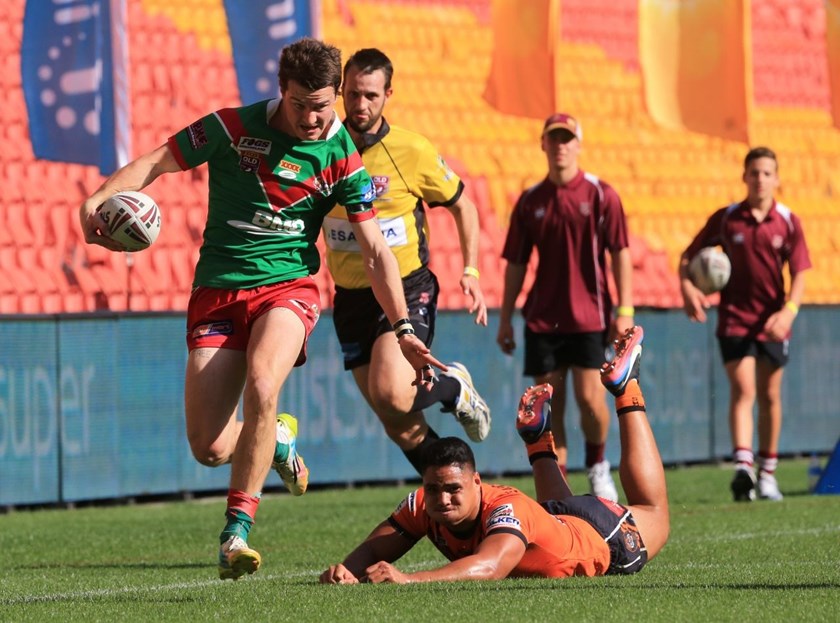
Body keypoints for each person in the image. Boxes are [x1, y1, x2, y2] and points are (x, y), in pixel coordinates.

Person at [79, 37, 446, 581]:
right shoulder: (231, 128)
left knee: (263, 382)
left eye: (324, 105)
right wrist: (96, 202)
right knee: (207, 446)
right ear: (282, 91)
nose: (314, 117)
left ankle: (235, 533)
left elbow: (374, 250)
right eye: (301, 105)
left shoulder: (342, 152)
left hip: (289, 291)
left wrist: (403, 325)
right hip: (219, 292)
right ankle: (275, 437)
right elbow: (155, 162)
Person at [320, 326, 670, 583]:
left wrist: (410, 579)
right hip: (557, 518)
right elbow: (374, 550)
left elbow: (491, 567)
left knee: (654, 511)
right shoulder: (422, 502)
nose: (442, 499)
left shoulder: (506, 509)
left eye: (454, 489)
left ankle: (627, 390)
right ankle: (538, 443)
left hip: (603, 538)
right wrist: (345, 571)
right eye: (434, 489)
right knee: (550, 525)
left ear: (476, 481)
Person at [322, 47, 491, 474]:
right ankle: (454, 493)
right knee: (397, 421)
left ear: (388, 94)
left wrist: (470, 270)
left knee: (393, 393)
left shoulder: (410, 150)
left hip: (406, 288)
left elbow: (464, 206)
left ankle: (453, 385)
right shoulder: (323, 149)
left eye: (371, 96)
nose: (360, 105)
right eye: (353, 94)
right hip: (350, 297)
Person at [496, 113, 635, 501]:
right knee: (548, 404)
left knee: (591, 399)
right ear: (543, 145)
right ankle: (558, 484)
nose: (560, 146)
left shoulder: (600, 194)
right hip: (543, 318)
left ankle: (598, 465)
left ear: (577, 144)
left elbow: (620, 252)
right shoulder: (530, 201)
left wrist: (625, 308)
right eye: (553, 139)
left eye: (567, 139)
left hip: (589, 316)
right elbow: (517, 263)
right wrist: (506, 317)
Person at [679, 146, 811, 502]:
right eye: (754, 172)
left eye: (767, 173)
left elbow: (800, 271)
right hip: (735, 319)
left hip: (773, 323)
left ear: (777, 178)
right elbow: (687, 257)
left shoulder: (788, 220)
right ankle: (743, 467)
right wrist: (688, 287)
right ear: (744, 176)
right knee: (744, 391)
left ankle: (767, 473)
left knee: (769, 395)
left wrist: (789, 312)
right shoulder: (727, 219)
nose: (760, 179)